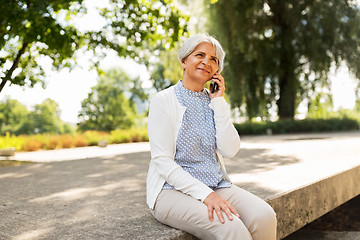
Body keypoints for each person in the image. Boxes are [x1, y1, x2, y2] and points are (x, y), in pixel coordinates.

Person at [146, 33, 277, 240]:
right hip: (171, 191)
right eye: (199, 55)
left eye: (214, 59)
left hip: (216, 185)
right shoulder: (163, 100)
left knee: (264, 216)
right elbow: (162, 161)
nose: (207, 61)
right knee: (231, 227)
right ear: (184, 61)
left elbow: (230, 149)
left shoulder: (213, 102)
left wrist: (218, 101)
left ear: (217, 71)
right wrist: (206, 196)